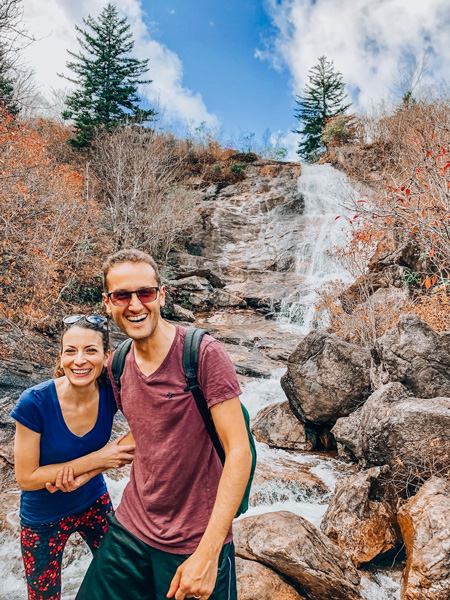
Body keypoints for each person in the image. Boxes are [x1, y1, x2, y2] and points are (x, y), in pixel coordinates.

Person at [75, 249, 253, 600]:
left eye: (145, 293)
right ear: (107, 303)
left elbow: (239, 452)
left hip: (192, 543)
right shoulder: (118, 364)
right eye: (122, 296)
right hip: (130, 530)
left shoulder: (202, 354)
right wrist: (82, 468)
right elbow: (147, 431)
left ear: (162, 294)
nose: (135, 305)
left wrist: (208, 553)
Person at [11, 315, 135, 600]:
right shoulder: (34, 402)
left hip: (94, 502)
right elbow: (27, 478)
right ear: (62, 356)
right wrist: (97, 460)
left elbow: (149, 423)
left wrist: (86, 475)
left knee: (121, 581)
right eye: (71, 351)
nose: (79, 360)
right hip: (43, 519)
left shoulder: (110, 392)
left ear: (106, 356)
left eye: (90, 350)